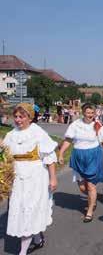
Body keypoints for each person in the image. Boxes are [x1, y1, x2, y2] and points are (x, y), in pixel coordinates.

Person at [2, 103, 58, 255]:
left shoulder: (38, 133)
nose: (18, 120)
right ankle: (37, 238)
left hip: (36, 177)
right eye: (16, 116)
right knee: (21, 210)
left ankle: (22, 251)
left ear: (30, 117)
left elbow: (50, 157)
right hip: (18, 178)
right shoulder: (11, 135)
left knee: (30, 210)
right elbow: (5, 157)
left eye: (22, 116)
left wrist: (53, 179)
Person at [58, 103, 103, 222]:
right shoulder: (75, 125)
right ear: (83, 113)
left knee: (91, 186)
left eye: (92, 113)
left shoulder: (97, 126)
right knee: (81, 187)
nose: (90, 115)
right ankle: (93, 199)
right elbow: (68, 140)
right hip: (78, 156)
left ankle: (89, 211)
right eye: (88, 113)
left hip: (93, 156)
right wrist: (60, 154)